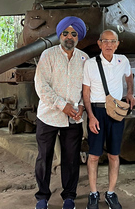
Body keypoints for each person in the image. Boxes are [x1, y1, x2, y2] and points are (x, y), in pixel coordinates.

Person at [34, 16, 89, 209]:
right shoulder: (48, 55)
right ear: (60, 34)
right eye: (65, 32)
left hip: (73, 118)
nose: (69, 37)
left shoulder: (84, 59)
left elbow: (86, 88)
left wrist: (81, 106)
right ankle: (42, 198)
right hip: (48, 115)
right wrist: (62, 105)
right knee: (44, 158)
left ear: (78, 37)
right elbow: (41, 86)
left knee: (71, 159)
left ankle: (69, 197)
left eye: (74, 34)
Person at [83, 29, 135, 209]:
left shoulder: (123, 60)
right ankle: (93, 193)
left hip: (115, 113)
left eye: (112, 41)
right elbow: (86, 93)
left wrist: (129, 92)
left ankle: (111, 193)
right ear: (99, 44)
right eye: (105, 41)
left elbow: (129, 76)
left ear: (118, 44)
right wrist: (90, 116)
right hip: (97, 112)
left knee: (114, 155)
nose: (109, 45)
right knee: (94, 156)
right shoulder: (90, 64)